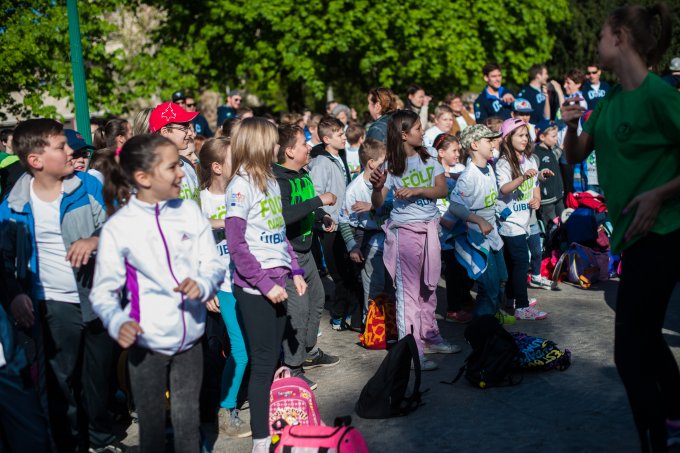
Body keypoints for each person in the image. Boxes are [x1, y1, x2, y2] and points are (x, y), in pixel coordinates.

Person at [561, 3, 680, 450]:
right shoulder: (608, 100)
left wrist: (659, 193)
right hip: (632, 237)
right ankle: (674, 417)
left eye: (601, 36)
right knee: (645, 338)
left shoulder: (659, 95)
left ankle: (656, 435)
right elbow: (575, 155)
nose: (597, 45)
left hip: (666, 233)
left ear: (620, 39)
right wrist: (570, 128)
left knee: (629, 352)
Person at [90, 134, 224, 452]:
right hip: (145, 343)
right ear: (143, 177)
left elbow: (214, 265)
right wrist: (117, 321)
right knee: (151, 430)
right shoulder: (119, 227)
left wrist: (203, 284)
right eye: (173, 166)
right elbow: (103, 292)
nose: (182, 173)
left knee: (187, 423)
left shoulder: (190, 212)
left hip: (191, 339)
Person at [0, 119, 117, 452]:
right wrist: (16, 295)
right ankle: (69, 444)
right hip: (51, 303)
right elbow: (3, 261)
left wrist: (96, 240)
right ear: (36, 161)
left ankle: (101, 439)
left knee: (97, 382)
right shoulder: (12, 205)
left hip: (97, 298)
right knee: (59, 384)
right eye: (61, 147)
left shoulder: (88, 187)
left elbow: (121, 228)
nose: (72, 153)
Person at [224, 118, 307, 453]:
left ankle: (274, 430)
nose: (278, 148)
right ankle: (261, 441)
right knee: (261, 364)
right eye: (273, 143)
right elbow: (237, 245)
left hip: (279, 281)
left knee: (274, 359)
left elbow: (278, 235)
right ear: (258, 145)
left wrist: (296, 270)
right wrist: (262, 283)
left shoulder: (270, 180)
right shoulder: (240, 185)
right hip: (255, 287)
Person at [370, 110, 460, 371]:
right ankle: (412, 351)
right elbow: (377, 204)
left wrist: (419, 190)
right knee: (408, 295)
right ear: (404, 134)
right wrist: (377, 189)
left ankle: (430, 337)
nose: (423, 132)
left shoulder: (430, 154)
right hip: (404, 233)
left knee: (429, 288)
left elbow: (442, 190)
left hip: (430, 229)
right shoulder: (390, 165)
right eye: (419, 128)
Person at [274, 124, 340, 390]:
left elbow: (305, 210)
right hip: (289, 254)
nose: (309, 147)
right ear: (289, 151)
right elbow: (284, 215)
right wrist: (319, 202)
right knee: (298, 312)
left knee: (318, 300)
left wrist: (320, 218)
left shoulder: (302, 174)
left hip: (306, 250)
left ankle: (307, 351)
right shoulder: (278, 180)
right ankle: (293, 368)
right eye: (304, 143)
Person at [195, 137, 251, 438]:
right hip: (224, 288)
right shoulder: (199, 202)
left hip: (250, 283)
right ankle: (226, 408)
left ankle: (252, 396)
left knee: (254, 348)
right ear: (217, 167)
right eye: (233, 159)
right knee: (240, 352)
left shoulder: (242, 190)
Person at [445, 125, 512, 324]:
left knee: (501, 277)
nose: (493, 144)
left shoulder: (489, 168)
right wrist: (478, 220)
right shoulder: (468, 176)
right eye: (488, 141)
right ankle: (481, 331)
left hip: (493, 236)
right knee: (489, 287)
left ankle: (493, 314)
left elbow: (494, 197)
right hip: (475, 239)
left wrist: (502, 212)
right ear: (474, 145)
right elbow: (456, 206)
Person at [308, 117, 360, 331]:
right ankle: (338, 315)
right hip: (331, 225)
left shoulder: (341, 156)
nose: (344, 137)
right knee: (339, 273)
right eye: (339, 134)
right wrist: (324, 217)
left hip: (346, 221)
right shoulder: (320, 162)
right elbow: (316, 193)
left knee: (349, 270)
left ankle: (347, 312)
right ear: (327, 139)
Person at [495, 117, 549, 320]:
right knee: (520, 261)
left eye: (526, 135)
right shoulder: (502, 163)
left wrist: (536, 199)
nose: (525, 139)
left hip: (525, 220)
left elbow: (535, 185)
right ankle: (522, 306)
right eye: (520, 135)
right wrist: (522, 177)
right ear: (507, 138)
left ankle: (511, 299)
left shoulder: (531, 159)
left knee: (512, 262)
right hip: (510, 222)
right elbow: (503, 189)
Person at [339, 138, 391, 319]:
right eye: (384, 161)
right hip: (368, 239)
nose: (387, 165)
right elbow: (344, 220)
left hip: (391, 236)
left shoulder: (390, 182)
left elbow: (395, 206)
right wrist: (352, 246)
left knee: (391, 284)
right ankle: (370, 324)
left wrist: (371, 206)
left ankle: (391, 325)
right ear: (371, 163)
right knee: (373, 283)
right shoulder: (354, 189)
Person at [433, 133, 473, 323]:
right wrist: (444, 218)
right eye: (454, 151)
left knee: (465, 270)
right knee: (453, 272)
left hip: (461, 230)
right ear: (441, 152)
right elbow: (437, 207)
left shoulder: (459, 170)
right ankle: (453, 309)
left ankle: (464, 299)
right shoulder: (433, 173)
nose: (458, 154)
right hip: (444, 234)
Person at [148, 102, 200, 204]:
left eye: (188, 127)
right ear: (165, 132)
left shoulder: (187, 164)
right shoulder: (150, 171)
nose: (190, 133)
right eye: (184, 127)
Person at [533, 120, 565, 235]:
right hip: (546, 200)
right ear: (542, 136)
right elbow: (534, 172)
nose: (556, 138)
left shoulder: (550, 150)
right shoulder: (536, 153)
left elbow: (555, 156)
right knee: (551, 228)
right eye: (553, 136)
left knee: (563, 223)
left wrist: (561, 148)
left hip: (558, 196)